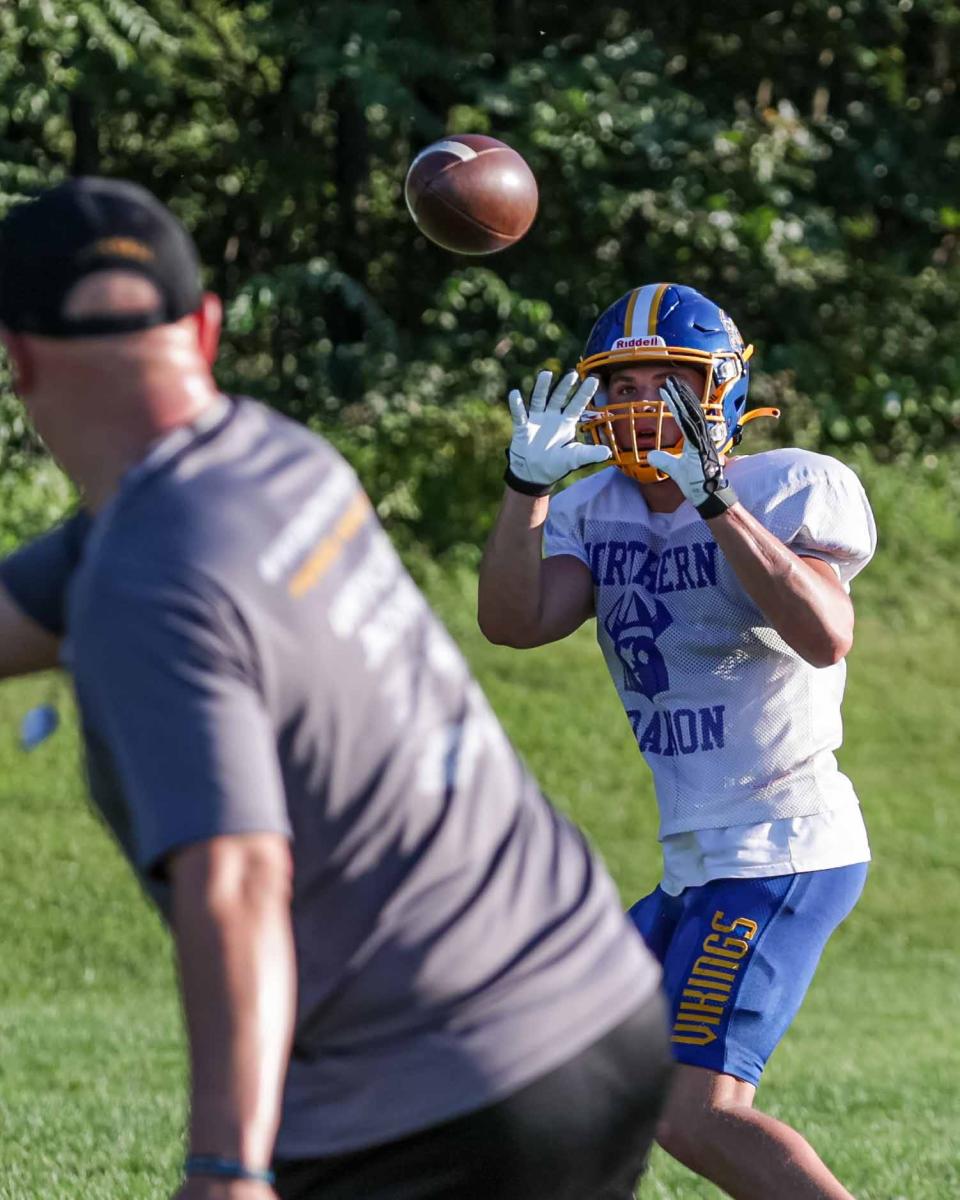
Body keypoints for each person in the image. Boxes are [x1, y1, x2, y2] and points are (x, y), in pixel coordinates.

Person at [0, 178, 673, 1200]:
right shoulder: (273, 460)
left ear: (18, 359)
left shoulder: (148, 582)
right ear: (206, 329)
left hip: (440, 1096)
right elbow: (37, 600)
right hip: (597, 1003)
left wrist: (226, 1168)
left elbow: (236, 881)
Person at [478, 282, 877, 1200]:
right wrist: (525, 492)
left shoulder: (786, 485)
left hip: (780, 847)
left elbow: (825, 634)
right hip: (698, 858)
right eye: (619, 385)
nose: (638, 403)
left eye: (667, 381)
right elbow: (515, 621)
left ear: (721, 391)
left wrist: (716, 504)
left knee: (696, 1115)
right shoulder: (595, 506)